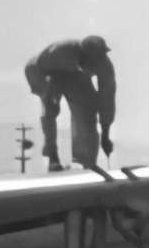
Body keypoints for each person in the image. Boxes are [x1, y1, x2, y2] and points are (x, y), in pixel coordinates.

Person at [24, 35, 115, 171]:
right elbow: (46, 75)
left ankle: (85, 161)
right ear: (83, 53)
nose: (95, 62)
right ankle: (52, 157)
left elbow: (106, 100)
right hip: (39, 71)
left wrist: (106, 136)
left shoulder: (105, 66)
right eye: (91, 58)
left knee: (88, 108)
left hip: (74, 73)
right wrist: (50, 98)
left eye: (98, 58)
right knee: (51, 108)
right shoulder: (61, 51)